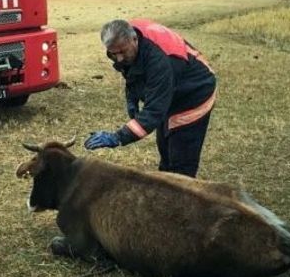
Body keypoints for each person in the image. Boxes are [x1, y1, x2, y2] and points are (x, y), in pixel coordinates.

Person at [84, 18, 216, 178]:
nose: (118, 58)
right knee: (166, 152)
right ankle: (166, 183)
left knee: (181, 164)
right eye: (113, 53)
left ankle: (181, 196)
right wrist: (132, 96)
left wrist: (118, 137)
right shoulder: (125, 38)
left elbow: (154, 112)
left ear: (134, 39)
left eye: (122, 52)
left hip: (194, 92)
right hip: (171, 88)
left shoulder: (160, 62)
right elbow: (132, 70)